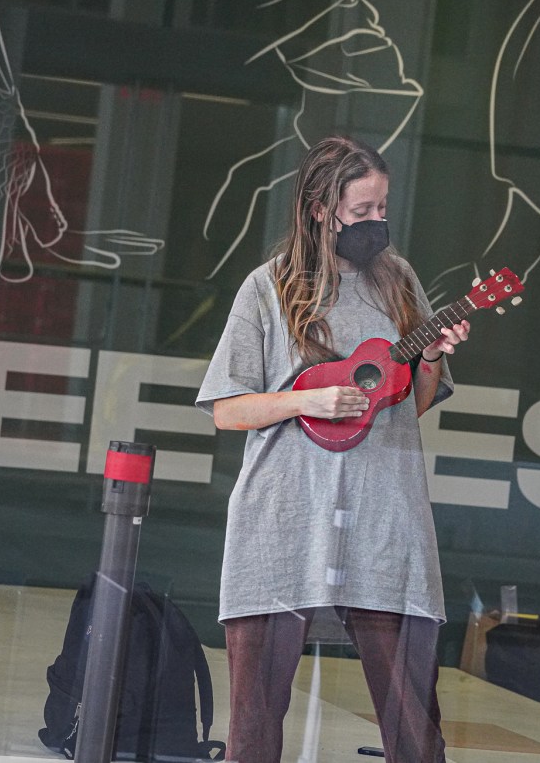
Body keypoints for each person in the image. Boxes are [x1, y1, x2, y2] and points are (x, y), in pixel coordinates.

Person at [195, 135, 468, 763]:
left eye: (383, 209)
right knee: (255, 725)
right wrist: (303, 401)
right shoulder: (269, 288)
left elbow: (410, 410)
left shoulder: (399, 283)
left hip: (383, 521)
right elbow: (226, 410)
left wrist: (429, 357)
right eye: (363, 210)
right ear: (321, 207)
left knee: (414, 725)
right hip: (284, 523)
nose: (378, 223)